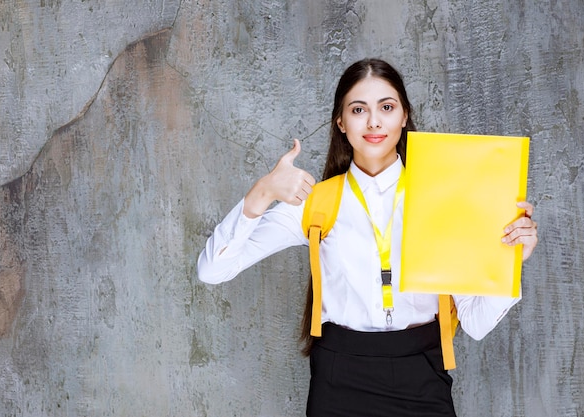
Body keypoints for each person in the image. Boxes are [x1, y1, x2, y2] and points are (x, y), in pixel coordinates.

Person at [197, 58, 538, 417]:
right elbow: (212, 271)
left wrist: (511, 258)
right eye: (359, 109)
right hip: (338, 380)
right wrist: (262, 192)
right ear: (341, 122)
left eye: (386, 108)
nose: (374, 122)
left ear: (404, 116)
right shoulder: (315, 203)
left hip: (422, 377)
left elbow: (477, 324)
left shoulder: (445, 199)